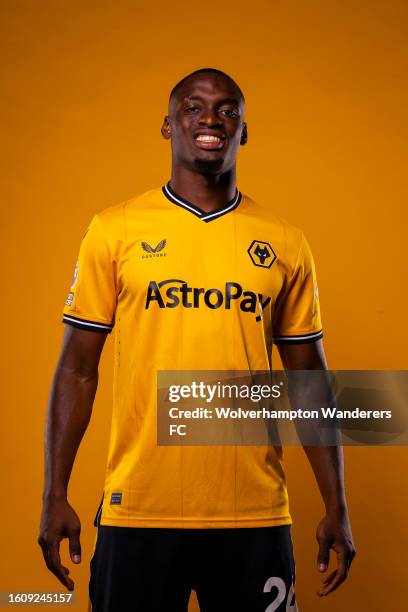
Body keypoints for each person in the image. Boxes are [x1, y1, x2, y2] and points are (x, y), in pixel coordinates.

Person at [38, 67, 356, 611]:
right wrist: (54, 494)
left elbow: (310, 380)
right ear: (168, 126)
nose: (210, 118)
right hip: (137, 511)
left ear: (244, 131)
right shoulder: (114, 229)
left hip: (253, 516)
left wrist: (337, 504)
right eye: (193, 107)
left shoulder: (284, 241)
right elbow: (77, 369)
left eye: (227, 109)